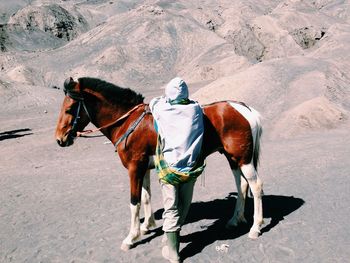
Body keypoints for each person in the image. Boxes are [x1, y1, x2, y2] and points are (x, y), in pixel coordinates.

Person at [150, 77, 205, 263]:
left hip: (170, 171)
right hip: (190, 169)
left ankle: (173, 252)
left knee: (171, 208)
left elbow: (153, 102)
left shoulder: (162, 110)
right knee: (185, 205)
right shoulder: (196, 110)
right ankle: (171, 236)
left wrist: (164, 98)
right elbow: (196, 102)